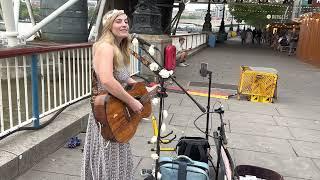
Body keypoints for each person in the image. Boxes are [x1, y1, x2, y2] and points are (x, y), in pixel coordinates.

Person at [81, 9, 143, 180]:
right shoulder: (106, 47)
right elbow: (107, 81)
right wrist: (132, 101)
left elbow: (120, 76)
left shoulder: (117, 48)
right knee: (109, 154)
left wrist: (137, 86)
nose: (124, 24)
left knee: (115, 153)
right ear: (109, 26)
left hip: (115, 110)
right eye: (118, 21)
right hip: (107, 112)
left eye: (126, 21)